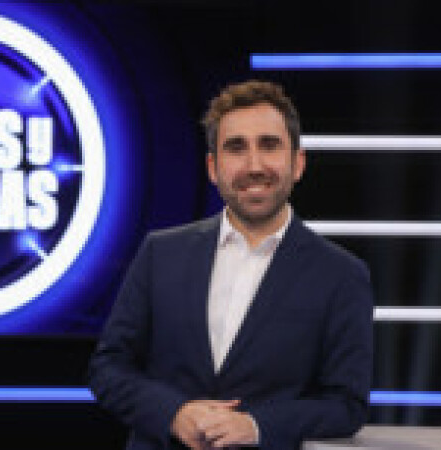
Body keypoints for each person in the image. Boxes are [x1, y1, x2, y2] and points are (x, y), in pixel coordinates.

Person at [89, 80, 373, 450]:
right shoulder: (160, 254)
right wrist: (173, 414)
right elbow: (108, 368)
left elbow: (346, 405)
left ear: (298, 162)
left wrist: (256, 426)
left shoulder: (341, 275)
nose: (254, 166)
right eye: (236, 148)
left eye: (269, 145)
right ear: (213, 166)